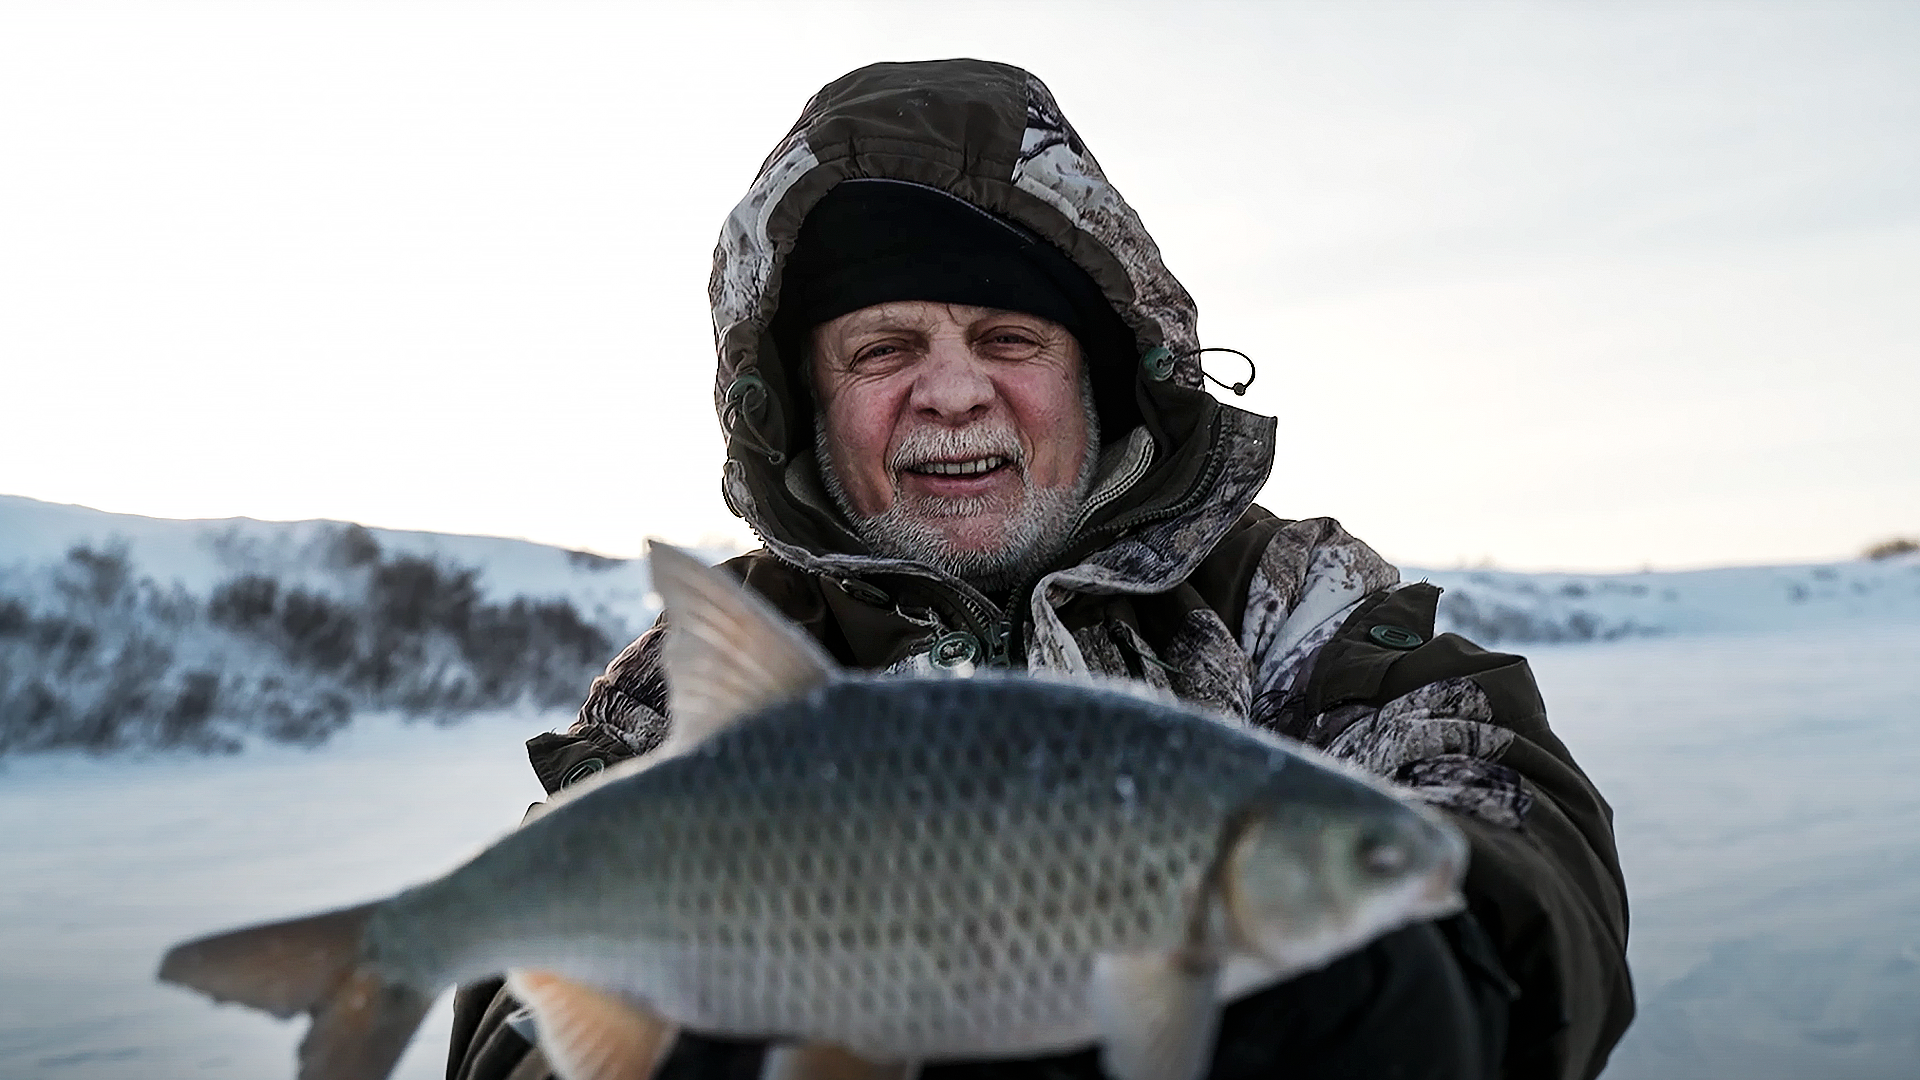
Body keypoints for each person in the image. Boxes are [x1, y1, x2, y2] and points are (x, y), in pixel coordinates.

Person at [447, 59, 1634, 1080]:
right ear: (809, 404)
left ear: (1098, 375)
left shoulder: (1282, 599)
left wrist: (1440, 978)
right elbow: (518, 969)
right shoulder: (696, 675)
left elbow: (1498, 798)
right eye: (885, 348)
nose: (954, 391)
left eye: (1009, 339)